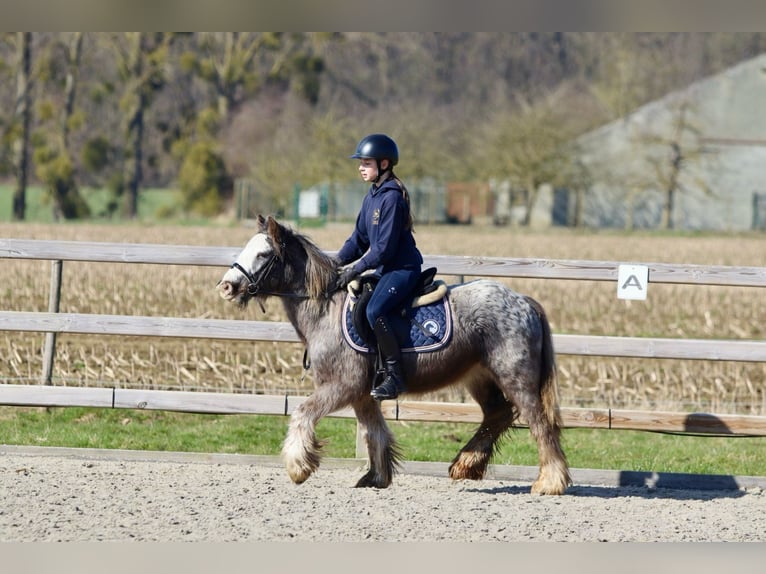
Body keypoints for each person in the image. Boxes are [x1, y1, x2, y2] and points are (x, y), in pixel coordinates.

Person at [335, 133, 423, 401]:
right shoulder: (372, 196)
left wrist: (355, 270)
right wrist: (334, 264)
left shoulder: (392, 197)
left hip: (403, 269)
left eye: (366, 163)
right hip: (386, 270)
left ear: (384, 164)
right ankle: (374, 367)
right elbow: (358, 240)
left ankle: (395, 377)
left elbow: (383, 249)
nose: (361, 167)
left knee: (375, 309)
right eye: (360, 163)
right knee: (360, 305)